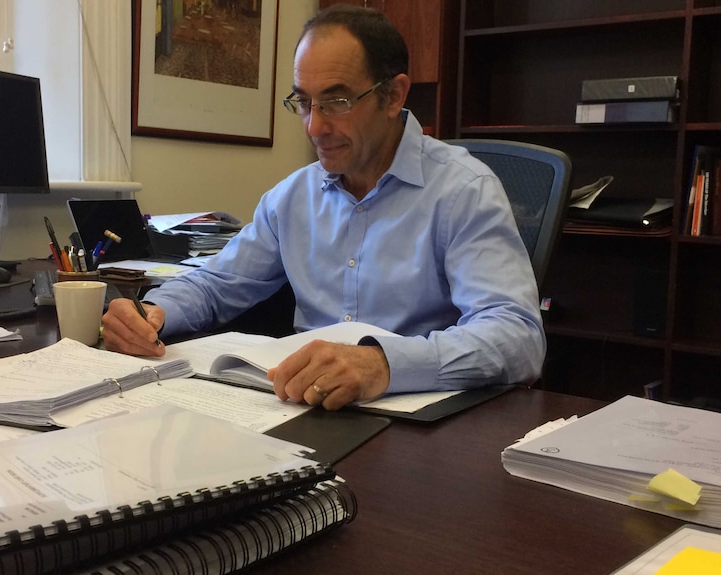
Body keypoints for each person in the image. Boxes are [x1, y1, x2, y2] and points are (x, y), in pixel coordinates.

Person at [101, 4, 545, 410]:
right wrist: (153, 312)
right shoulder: (291, 198)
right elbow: (217, 285)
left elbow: (517, 337)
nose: (315, 125)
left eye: (337, 101)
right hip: (304, 409)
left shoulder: (463, 190)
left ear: (393, 96)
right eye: (303, 101)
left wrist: (383, 364)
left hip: (423, 423)